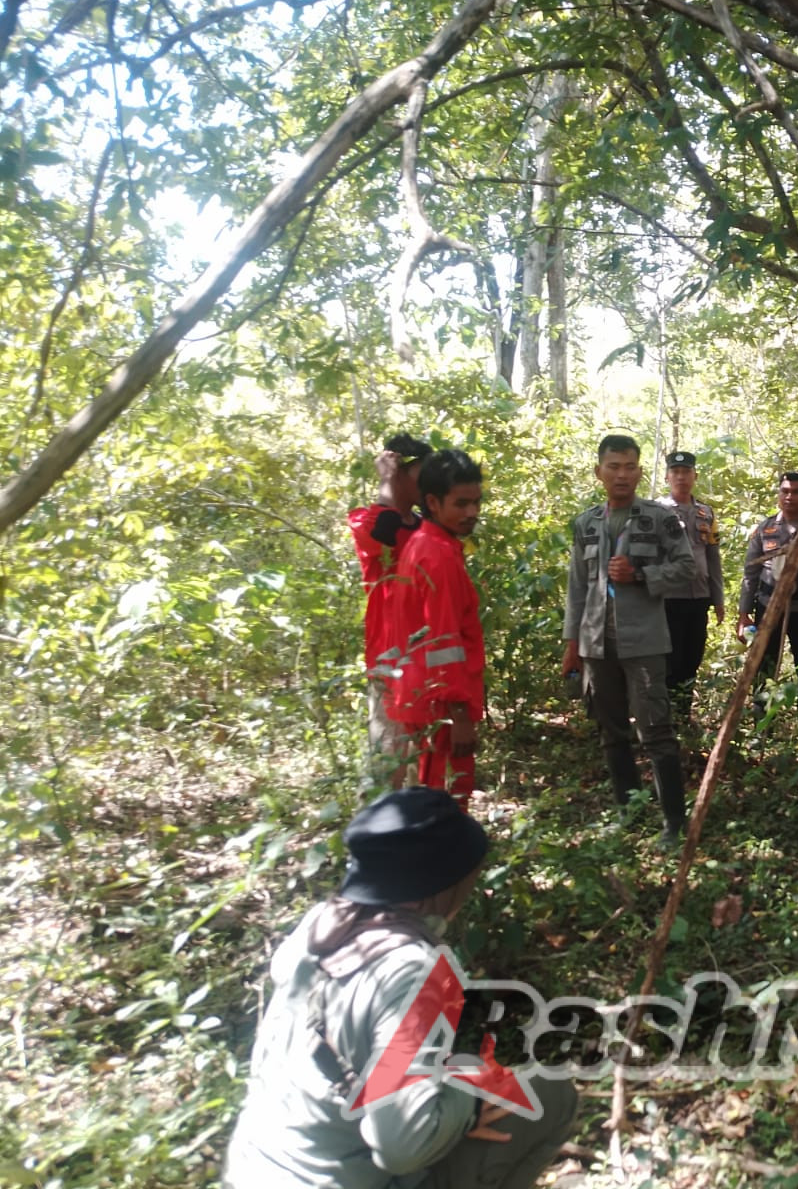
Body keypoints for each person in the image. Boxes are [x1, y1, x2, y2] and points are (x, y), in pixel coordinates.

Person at [225, 785, 577, 1188]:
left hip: (252, 1170)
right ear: (445, 885)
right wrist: (469, 1103)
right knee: (550, 1092)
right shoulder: (412, 970)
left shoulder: (321, 924)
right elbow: (402, 1147)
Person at [560, 435, 696, 841]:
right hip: (596, 643)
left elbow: (687, 567)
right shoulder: (586, 523)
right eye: (614, 466)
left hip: (645, 642)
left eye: (630, 467)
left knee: (656, 731)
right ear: (598, 471)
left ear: (639, 471)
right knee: (611, 731)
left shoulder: (659, 518)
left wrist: (640, 575)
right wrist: (572, 646)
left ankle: (674, 822)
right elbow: (577, 587)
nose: (622, 474)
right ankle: (629, 813)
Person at [387, 450, 485, 809]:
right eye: (461, 504)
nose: (471, 512)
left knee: (432, 796)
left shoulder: (426, 544)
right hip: (439, 706)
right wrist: (458, 716)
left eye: (476, 502)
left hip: (424, 699)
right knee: (445, 802)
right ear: (432, 502)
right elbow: (444, 641)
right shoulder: (438, 556)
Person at [348, 433, 433, 787]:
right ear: (399, 473)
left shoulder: (427, 527)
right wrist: (387, 480)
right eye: (422, 474)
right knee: (388, 761)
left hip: (428, 659)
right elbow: (378, 535)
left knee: (426, 767)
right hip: (390, 659)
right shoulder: (369, 520)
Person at [736, 472, 798, 708]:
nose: (790, 497)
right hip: (768, 606)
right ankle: (762, 719)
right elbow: (751, 572)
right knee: (763, 665)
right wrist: (743, 614)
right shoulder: (765, 528)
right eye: (785, 491)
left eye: (796, 492)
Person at [654, 451, 725, 723]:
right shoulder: (656, 511)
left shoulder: (706, 512)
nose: (681, 477)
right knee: (669, 658)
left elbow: (713, 557)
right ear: (667, 477)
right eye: (676, 472)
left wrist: (718, 599)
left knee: (693, 657)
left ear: (695, 476)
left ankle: (684, 715)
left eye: (686, 472)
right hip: (668, 598)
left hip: (699, 596)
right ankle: (666, 717)